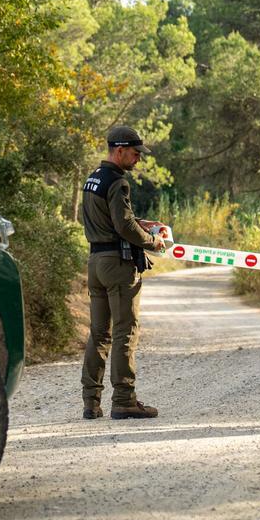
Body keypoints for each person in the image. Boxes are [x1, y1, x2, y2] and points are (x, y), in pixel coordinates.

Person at [79, 125, 167, 420]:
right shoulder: (118, 182)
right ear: (119, 150)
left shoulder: (93, 179)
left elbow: (109, 218)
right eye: (134, 153)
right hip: (118, 264)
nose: (138, 159)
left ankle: (91, 402)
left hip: (95, 263)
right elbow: (124, 227)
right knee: (125, 332)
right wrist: (153, 241)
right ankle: (124, 400)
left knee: (99, 333)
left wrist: (139, 220)